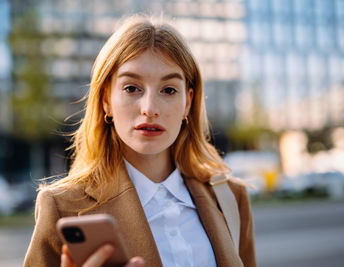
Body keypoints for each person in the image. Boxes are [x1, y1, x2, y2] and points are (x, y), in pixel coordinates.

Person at [24, 15, 256, 267]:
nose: (149, 108)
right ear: (106, 100)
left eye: (168, 90)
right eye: (131, 88)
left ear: (187, 103)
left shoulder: (231, 197)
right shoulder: (62, 207)